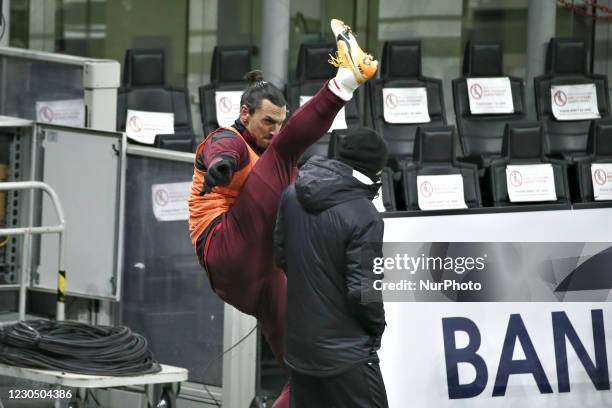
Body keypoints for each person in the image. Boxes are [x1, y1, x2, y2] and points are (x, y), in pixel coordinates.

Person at [187, 19, 378, 407]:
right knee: (287, 158)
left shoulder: (267, 162)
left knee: (303, 370)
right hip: (225, 246)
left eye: (280, 122)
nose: (274, 130)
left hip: (254, 277)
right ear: (244, 114)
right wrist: (220, 165)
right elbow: (219, 151)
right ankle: (345, 81)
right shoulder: (231, 138)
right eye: (266, 121)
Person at [274, 127, 389, 407]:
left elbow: (281, 256)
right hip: (346, 355)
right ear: (376, 170)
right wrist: (376, 328)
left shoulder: (291, 194)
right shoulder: (365, 215)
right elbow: (364, 291)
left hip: (300, 348)